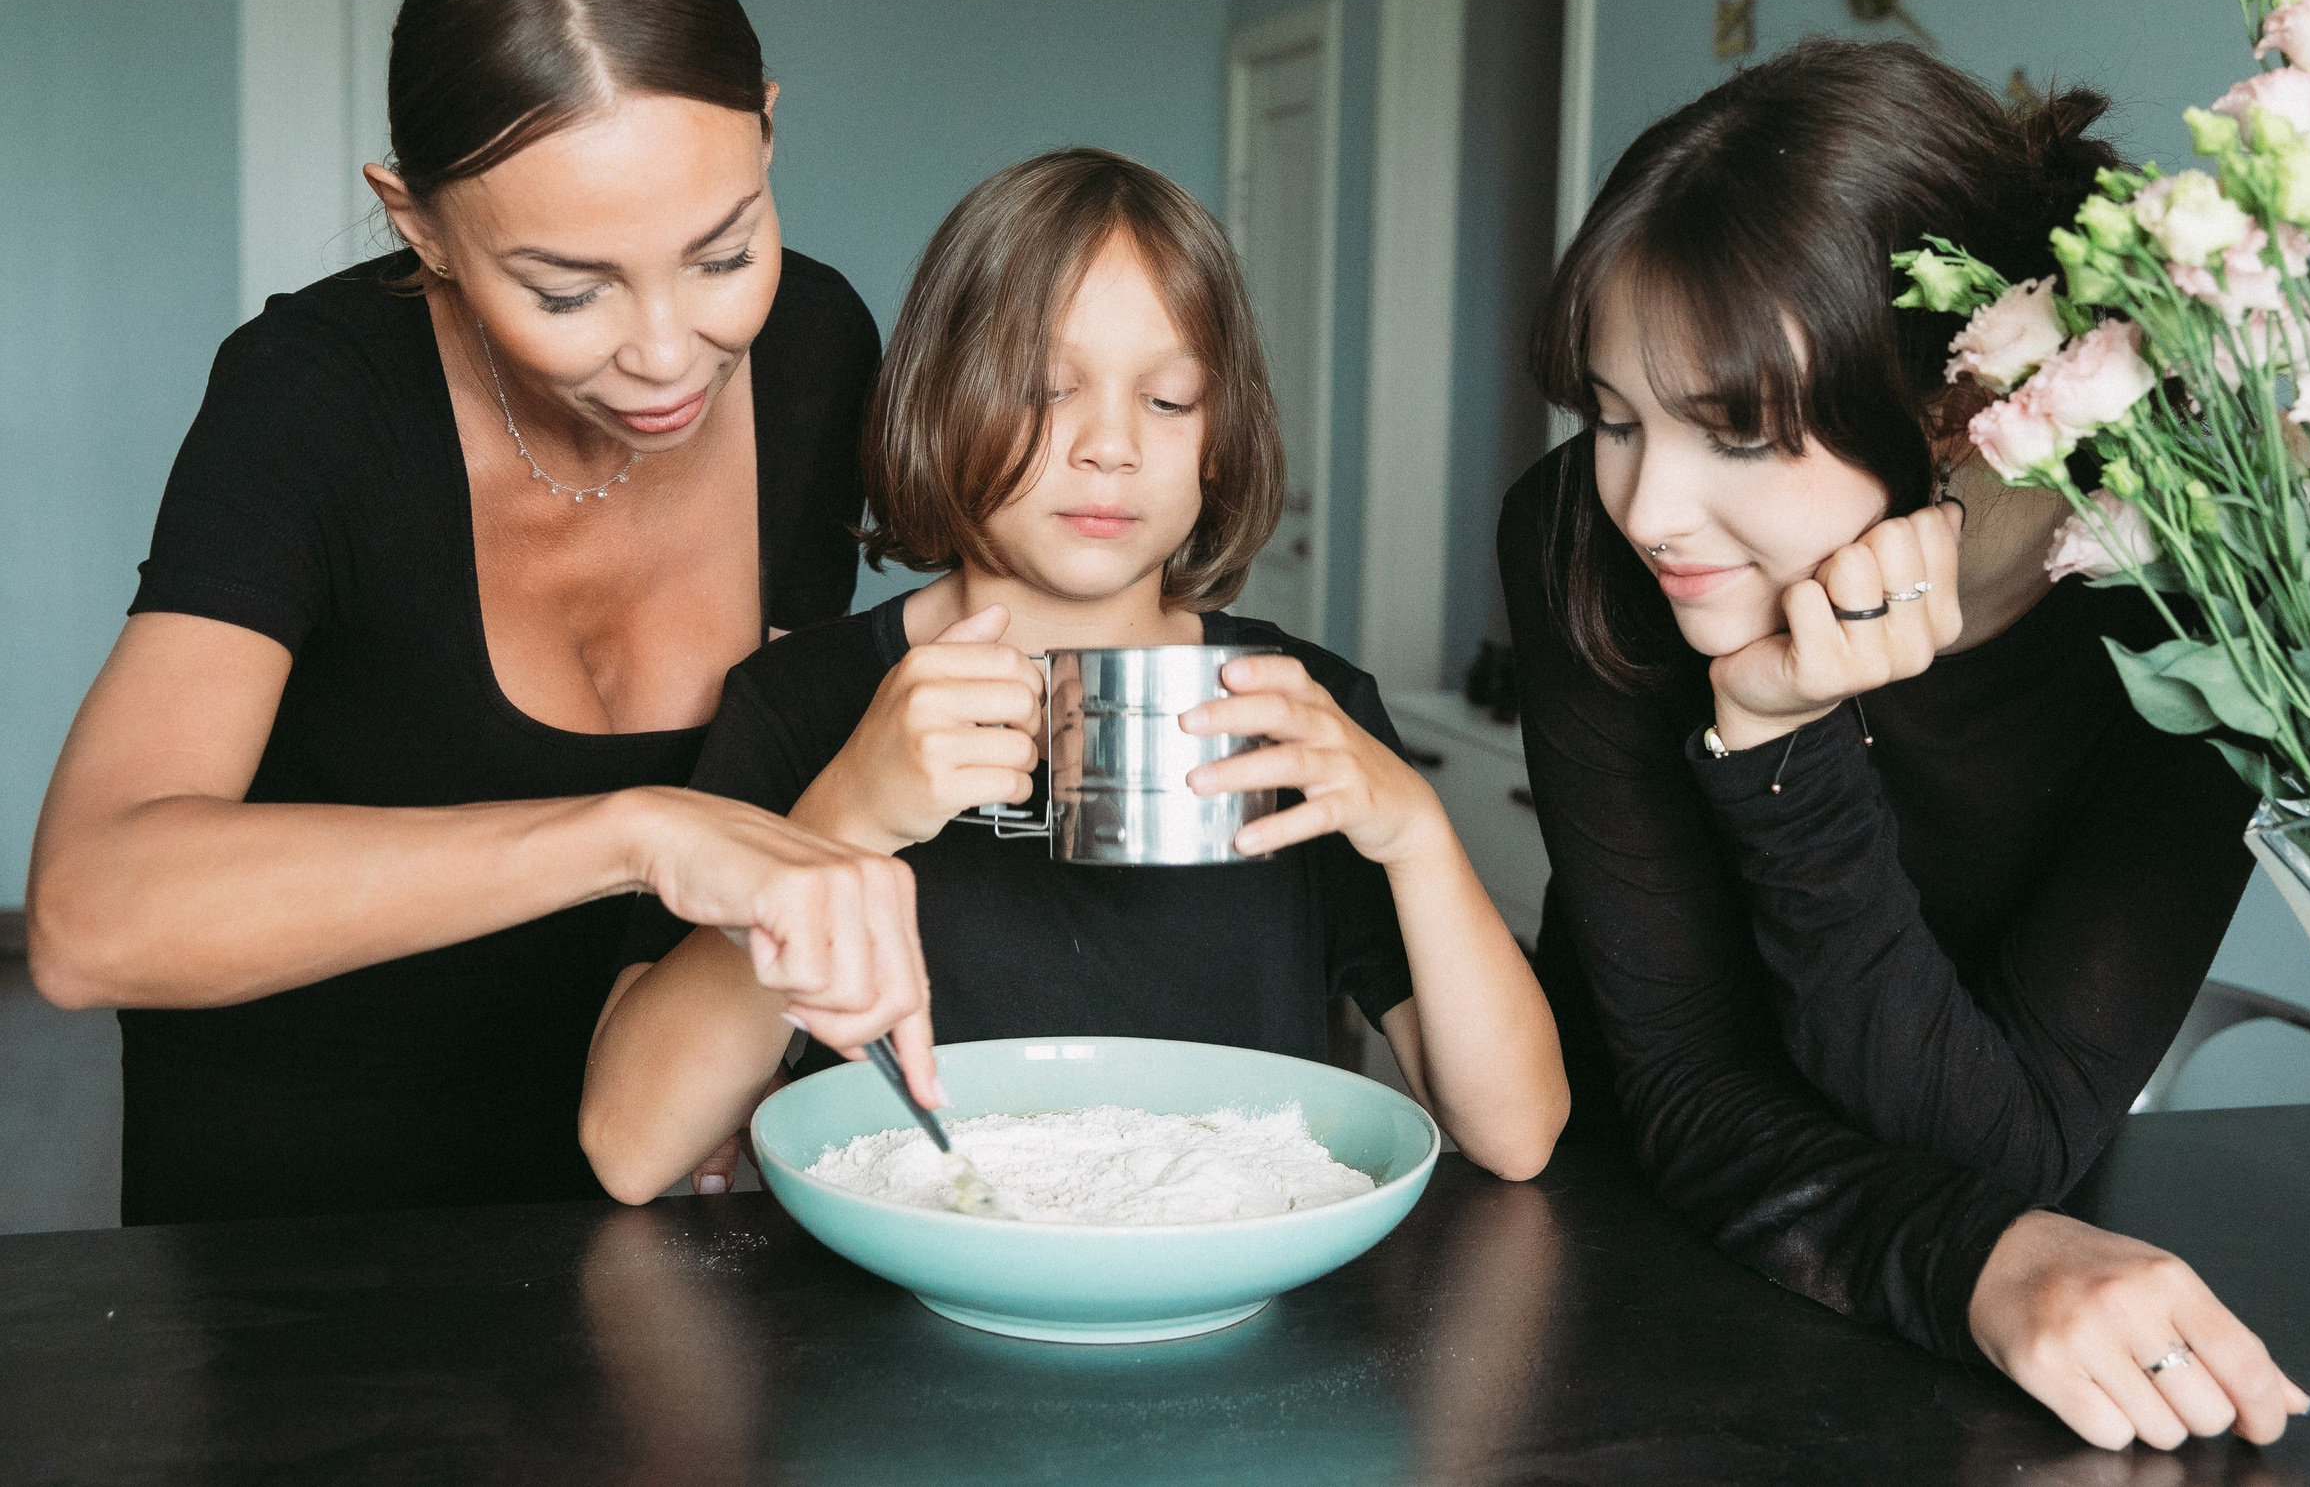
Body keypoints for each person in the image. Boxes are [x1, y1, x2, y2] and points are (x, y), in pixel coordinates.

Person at [25, 0, 927, 1226]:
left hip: (653, 1180)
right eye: (570, 290)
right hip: (303, 1209)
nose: (671, 350)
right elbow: (91, 917)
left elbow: (776, 759)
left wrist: (740, 1057)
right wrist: (631, 833)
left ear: (768, 132)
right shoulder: (313, 397)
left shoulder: (812, 350)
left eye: (723, 250)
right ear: (421, 223)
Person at [1501, 38, 2310, 1452]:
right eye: (1618, 418)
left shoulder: (2198, 614)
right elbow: (1682, 1076)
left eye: (1734, 429)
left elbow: (2014, 1139)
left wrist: (1787, 752)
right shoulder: (1580, 537)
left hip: (1970, 1333)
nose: (1649, 508)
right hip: (1602, 1258)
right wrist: (1777, 739)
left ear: (1954, 403)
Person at [579, 149, 1568, 1202]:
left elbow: (1514, 1134)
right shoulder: (800, 704)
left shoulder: (1299, 716)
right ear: (942, 402)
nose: (1110, 445)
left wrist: (1413, 829)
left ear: (1220, 441)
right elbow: (632, 1148)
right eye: (1047, 390)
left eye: (1170, 399)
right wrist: (843, 820)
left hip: (1221, 1297)